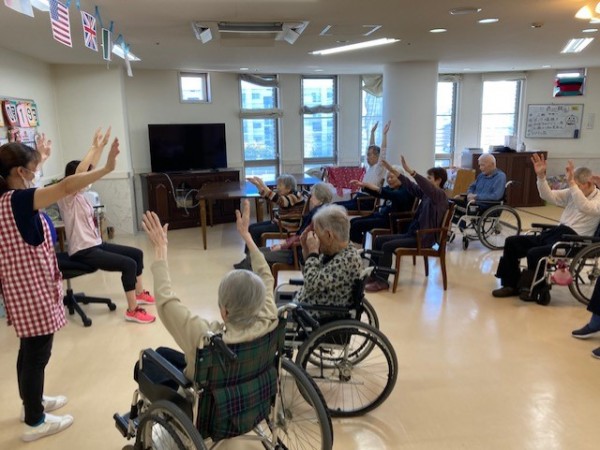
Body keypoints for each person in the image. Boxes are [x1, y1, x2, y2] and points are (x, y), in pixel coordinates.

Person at [0, 132, 119, 442]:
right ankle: (35, 421)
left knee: (28, 350)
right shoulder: (20, 200)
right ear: (19, 172)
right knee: (37, 354)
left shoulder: (6, 199)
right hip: (32, 289)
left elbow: (46, 182)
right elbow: (67, 186)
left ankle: (31, 403)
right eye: (32, 169)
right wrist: (106, 168)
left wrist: (41, 156)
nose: (35, 174)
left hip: (19, 288)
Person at [137, 199, 278, 385]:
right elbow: (266, 276)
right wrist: (246, 236)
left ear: (224, 312)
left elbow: (165, 303)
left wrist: (160, 249)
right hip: (249, 386)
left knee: (144, 363)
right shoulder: (269, 316)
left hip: (203, 395)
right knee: (163, 352)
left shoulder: (205, 337)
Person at [57, 128, 155, 324]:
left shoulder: (81, 196)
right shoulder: (67, 196)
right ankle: (132, 310)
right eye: (85, 177)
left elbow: (89, 170)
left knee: (136, 254)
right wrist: (92, 147)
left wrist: (100, 147)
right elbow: (80, 173)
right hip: (83, 250)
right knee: (128, 264)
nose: (89, 179)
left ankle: (139, 293)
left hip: (96, 244)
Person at [492, 154, 600, 302]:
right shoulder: (573, 191)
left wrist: (572, 185)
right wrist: (541, 177)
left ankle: (533, 289)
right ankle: (510, 285)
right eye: (574, 186)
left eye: (578, 186)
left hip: (574, 240)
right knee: (512, 242)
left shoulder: (598, 199)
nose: (574, 189)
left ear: (588, 183)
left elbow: (585, 207)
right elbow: (548, 196)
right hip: (557, 233)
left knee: (535, 253)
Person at [365, 158, 449, 293]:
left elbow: (424, 186)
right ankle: (373, 275)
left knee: (387, 246)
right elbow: (411, 186)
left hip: (422, 238)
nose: (426, 180)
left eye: (429, 178)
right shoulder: (428, 194)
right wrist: (392, 170)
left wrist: (411, 171)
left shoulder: (439, 195)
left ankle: (382, 281)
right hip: (413, 233)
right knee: (379, 240)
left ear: (439, 180)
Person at [234, 182, 334, 270]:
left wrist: (283, 245)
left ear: (320, 199)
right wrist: (284, 243)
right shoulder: (322, 211)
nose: (310, 199)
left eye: (313, 196)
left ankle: (247, 276)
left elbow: (302, 237)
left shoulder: (317, 216)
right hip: (295, 248)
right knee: (256, 252)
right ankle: (247, 268)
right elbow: (301, 235)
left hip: (296, 253)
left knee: (256, 255)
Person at [348, 166, 415, 246]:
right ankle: (362, 244)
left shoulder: (406, 189)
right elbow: (379, 193)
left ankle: (360, 246)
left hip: (391, 221)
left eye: (391, 177)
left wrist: (377, 189)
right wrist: (364, 186)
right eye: (388, 178)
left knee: (356, 225)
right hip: (381, 216)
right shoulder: (391, 188)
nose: (389, 180)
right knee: (352, 221)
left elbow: (392, 195)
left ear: (400, 176)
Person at [337, 120, 391, 211]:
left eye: (369, 155)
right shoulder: (371, 167)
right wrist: (372, 132)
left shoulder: (379, 169)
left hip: (366, 202)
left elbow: (383, 152)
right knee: (334, 205)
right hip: (359, 198)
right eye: (367, 154)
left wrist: (384, 135)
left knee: (335, 208)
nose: (367, 157)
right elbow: (371, 146)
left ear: (377, 156)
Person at [246, 174, 307, 247]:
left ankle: (254, 252)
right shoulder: (288, 194)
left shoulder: (295, 196)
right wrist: (257, 185)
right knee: (251, 227)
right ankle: (253, 252)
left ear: (288, 188)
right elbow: (268, 197)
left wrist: (262, 184)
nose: (277, 187)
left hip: (286, 227)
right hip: (279, 223)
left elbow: (279, 200)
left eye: (280, 185)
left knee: (255, 231)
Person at [453, 153, 506, 219]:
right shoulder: (481, 175)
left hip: (486, 206)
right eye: (480, 165)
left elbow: (496, 196)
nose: (480, 168)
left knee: (456, 206)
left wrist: (476, 197)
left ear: (492, 164)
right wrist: (470, 194)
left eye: (482, 165)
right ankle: (451, 223)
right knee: (452, 201)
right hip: (474, 203)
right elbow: (472, 187)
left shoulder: (500, 177)